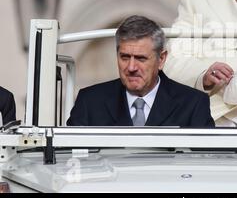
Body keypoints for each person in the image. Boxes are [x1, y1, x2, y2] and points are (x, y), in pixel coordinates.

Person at [67, 15, 214, 127]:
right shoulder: (90, 102)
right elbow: (71, 160)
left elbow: (206, 162)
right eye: (124, 57)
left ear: (161, 59)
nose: (131, 67)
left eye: (140, 58)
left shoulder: (193, 104)